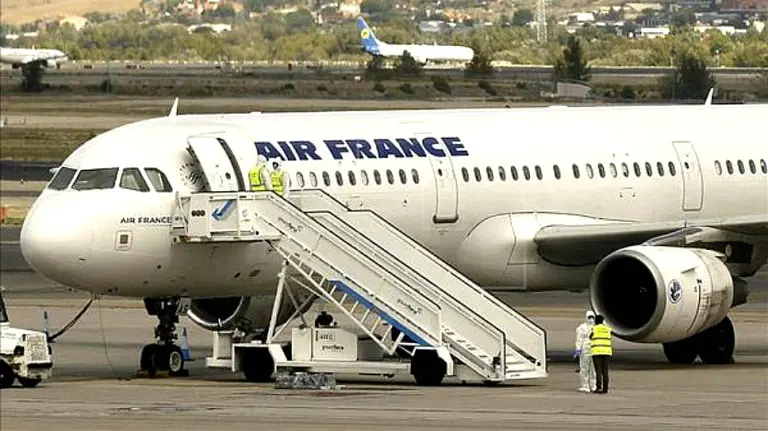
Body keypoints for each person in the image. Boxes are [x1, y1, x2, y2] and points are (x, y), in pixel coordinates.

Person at [590, 314, 613, 394]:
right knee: (605, 371)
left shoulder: (594, 328)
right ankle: (605, 388)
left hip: (597, 351)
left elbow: (590, 337)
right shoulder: (608, 329)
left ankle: (599, 387)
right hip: (607, 351)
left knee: (598, 371)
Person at [575, 310, 597, 392]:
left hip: (594, 348)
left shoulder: (596, 327)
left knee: (593, 369)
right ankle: (585, 386)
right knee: (584, 368)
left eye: (592, 317)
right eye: (589, 317)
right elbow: (579, 340)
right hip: (585, 349)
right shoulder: (581, 328)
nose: (591, 319)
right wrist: (578, 349)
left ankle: (593, 385)